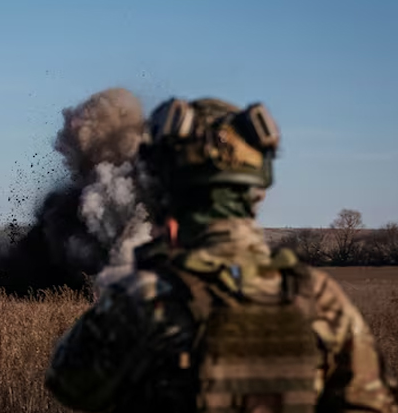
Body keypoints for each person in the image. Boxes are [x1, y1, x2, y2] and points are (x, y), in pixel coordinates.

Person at [44, 97, 398, 413]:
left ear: (162, 188)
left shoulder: (141, 301)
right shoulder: (320, 300)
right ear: (256, 190)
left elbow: (69, 384)